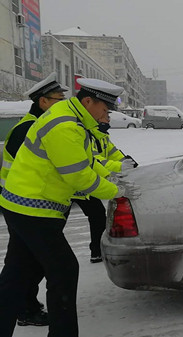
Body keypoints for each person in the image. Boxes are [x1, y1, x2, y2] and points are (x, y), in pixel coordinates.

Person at [0, 78, 125, 337]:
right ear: (88, 101)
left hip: (24, 206)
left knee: (16, 276)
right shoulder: (66, 126)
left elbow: (87, 161)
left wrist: (115, 175)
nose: (107, 114)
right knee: (64, 270)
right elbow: (79, 176)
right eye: (105, 108)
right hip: (34, 208)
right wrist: (118, 192)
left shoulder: (75, 120)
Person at [0, 72, 68, 327]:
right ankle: (25, 308)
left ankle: (22, 305)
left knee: (23, 262)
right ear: (43, 102)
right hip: (24, 206)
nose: (62, 104)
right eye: (57, 99)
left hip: (31, 206)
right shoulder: (28, 129)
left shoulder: (42, 126)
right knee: (31, 262)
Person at [70, 112, 137, 263]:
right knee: (93, 216)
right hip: (76, 186)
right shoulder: (89, 136)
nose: (108, 120)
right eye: (105, 116)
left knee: (97, 217)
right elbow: (96, 161)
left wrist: (127, 161)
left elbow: (114, 153)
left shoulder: (102, 136)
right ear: (96, 119)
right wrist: (120, 166)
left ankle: (97, 252)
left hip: (86, 185)